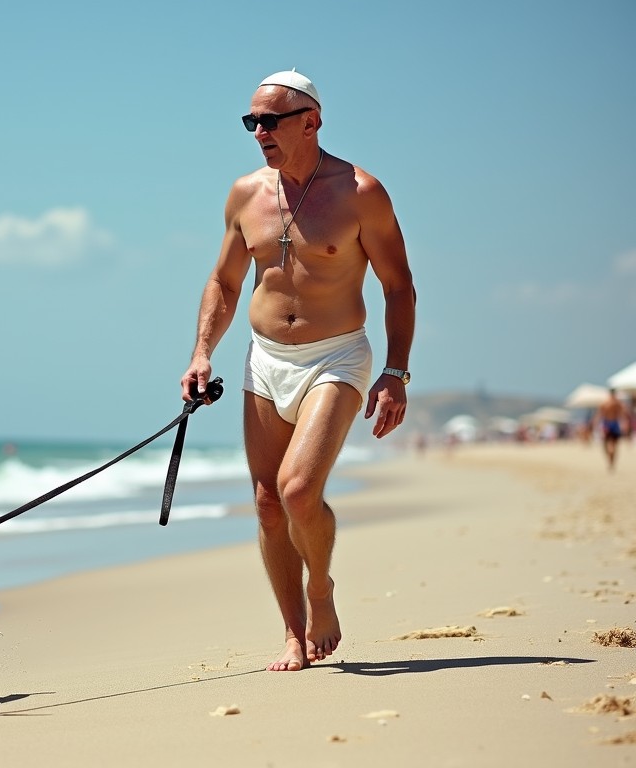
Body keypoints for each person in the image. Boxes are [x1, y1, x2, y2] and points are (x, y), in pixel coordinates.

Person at [180, 69, 415, 672]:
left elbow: (398, 285)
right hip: (266, 358)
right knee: (265, 503)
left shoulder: (362, 192)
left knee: (297, 490)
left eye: (270, 120)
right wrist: (202, 351)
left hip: (336, 355)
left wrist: (396, 371)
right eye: (251, 121)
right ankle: (292, 634)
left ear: (310, 121)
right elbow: (225, 281)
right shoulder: (245, 194)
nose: (259, 131)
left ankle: (321, 590)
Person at [596, 388, 628, 471]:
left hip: (606, 424)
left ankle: (610, 459)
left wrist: (595, 424)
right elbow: (623, 415)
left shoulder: (604, 403)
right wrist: (624, 424)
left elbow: (599, 415)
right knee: (614, 445)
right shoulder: (618, 403)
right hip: (615, 423)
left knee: (606, 444)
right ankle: (612, 462)